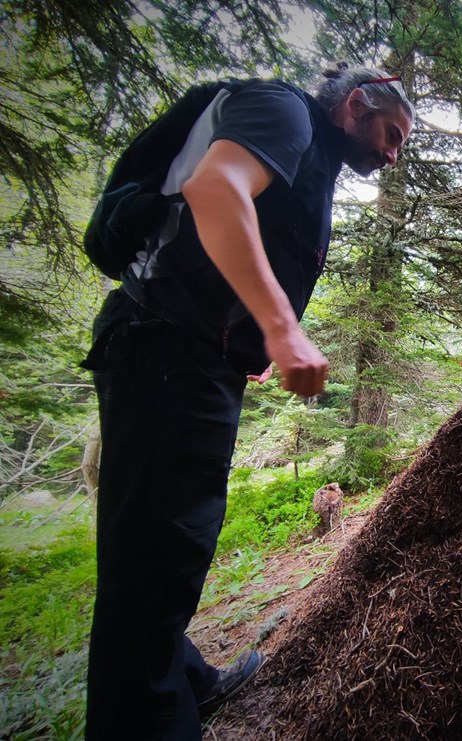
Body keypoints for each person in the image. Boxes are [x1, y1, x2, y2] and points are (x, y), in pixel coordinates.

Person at [81, 63, 414, 740]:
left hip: (190, 353)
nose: (392, 151)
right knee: (150, 567)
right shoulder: (286, 114)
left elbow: (245, 232)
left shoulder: (307, 150)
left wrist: (244, 340)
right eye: (390, 131)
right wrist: (279, 327)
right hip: (164, 348)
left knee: (167, 550)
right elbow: (215, 189)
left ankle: (188, 680)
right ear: (354, 104)